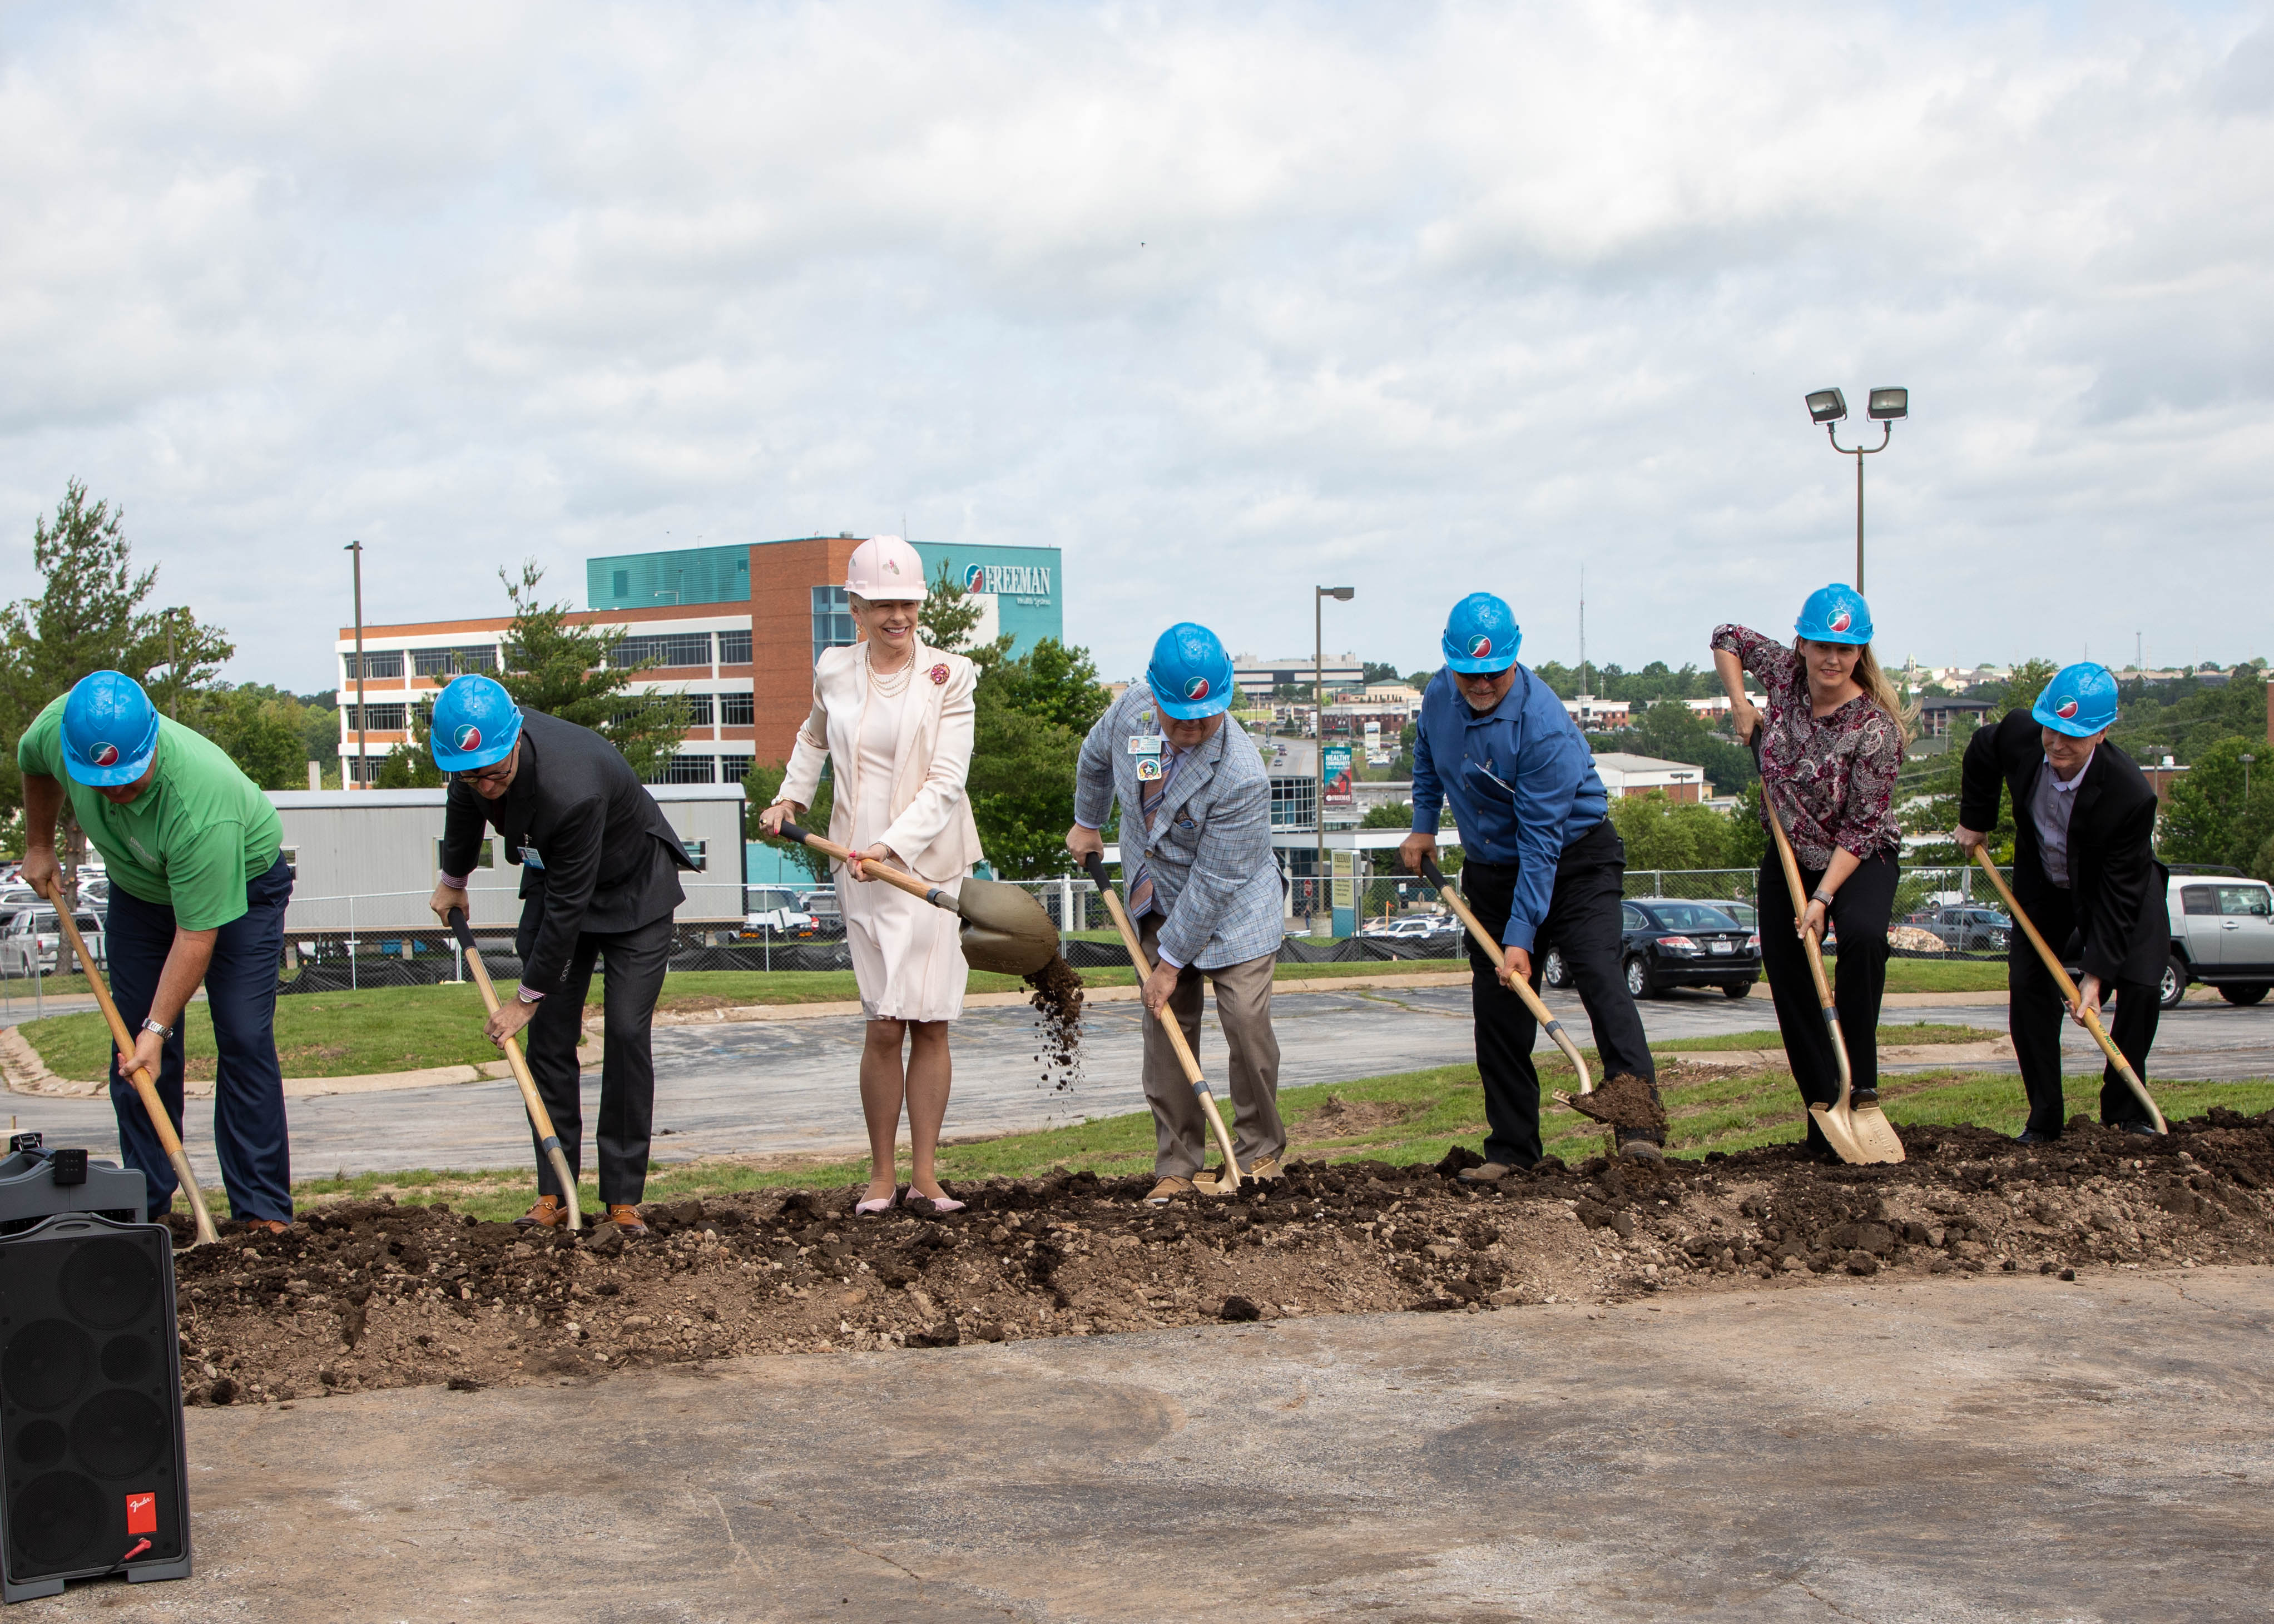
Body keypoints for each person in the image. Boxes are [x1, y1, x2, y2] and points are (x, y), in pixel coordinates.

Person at [16, 671, 295, 1232]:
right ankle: (145, 1205)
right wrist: (39, 844)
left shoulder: (201, 801)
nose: (115, 790)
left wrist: (160, 1028)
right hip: (141, 891)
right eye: (100, 779)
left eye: (127, 776)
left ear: (153, 743)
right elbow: (33, 764)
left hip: (242, 883)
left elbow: (196, 935)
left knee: (241, 1034)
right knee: (132, 1050)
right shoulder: (58, 730)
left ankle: (262, 1212)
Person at [759, 537, 983, 1215]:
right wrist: (791, 796)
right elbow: (813, 737)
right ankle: (882, 1175)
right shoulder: (834, 668)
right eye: (883, 603)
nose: (898, 616)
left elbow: (947, 781)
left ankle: (926, 1174)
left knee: (932, 1021)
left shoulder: (952, 674)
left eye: (908, 603)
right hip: (859, 865)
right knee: (885, 1022)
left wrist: (893, 844)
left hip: (931, 863)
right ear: (855, 606)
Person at [1401, 593, 1661, 1178]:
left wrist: (1521, 939)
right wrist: (1423, 824)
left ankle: (1639, 1127)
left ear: (1514, 660)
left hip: (1573, 861)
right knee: (1497, 1010)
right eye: (1469, 672)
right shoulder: (1438, 694)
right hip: (1493, 866)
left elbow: (1541, 845)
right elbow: (1426, 754)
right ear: (1451, 664)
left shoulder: (1542, 727)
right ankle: (1514, 1150)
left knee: (1598, 971)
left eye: (1494, 672)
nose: (1481, 682)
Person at [427, 673, 696, 1235]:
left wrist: (526, 997)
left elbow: (569, 908)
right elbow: (463, 806)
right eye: (473, 776)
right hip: (559, 883)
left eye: (497, 773)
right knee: (551, 1039)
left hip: (632, 892)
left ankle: (622, 1199)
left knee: (624, 1030)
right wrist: (454, 877)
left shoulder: (572, 787)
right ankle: (554, 1189)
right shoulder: (473, 766)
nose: (487, 786)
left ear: (517, 737)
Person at [1068, 623, 1286, 1203]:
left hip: (1234, 903)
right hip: (1157, 891)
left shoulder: (1242, 774)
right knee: (1166, 1026)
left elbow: (1215, 883)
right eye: (1179, 717)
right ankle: (1177, 1164)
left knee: (1244, 1020)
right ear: (1156, 695)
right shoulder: (1130, 713)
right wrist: (1087, 821)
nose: (1191, 729)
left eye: (1204, 717)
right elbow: (1093, 761)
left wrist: (1168, 961)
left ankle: (1259, 1152)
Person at [1712, 586, 1909, 1156]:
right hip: (1790, 848)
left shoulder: (1875, 730)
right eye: (1822, 645)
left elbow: (1860, 828)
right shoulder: (1785, 676)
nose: (1832, 659)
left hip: (1861, 855)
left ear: (1861, 653)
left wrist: (1822, 898)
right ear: (1802, 643)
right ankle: (1823, 1103)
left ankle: (1861, 1084)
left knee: (1866, 938)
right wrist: (1740, 702)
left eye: (1846, 649)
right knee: (1789, 969)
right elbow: (1726, 637)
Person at [1955, 661, 2164, 1140]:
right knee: (2029, 985)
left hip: (2117, 888)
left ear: (2103, 732)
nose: (2056, 744)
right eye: (2052, 729)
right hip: (2044, 883)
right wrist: (1975, 818)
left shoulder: (2130, 796)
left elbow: (2119, 897)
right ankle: (2045, 1117)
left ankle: (2124, 1112)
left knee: (2141, 985)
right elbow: (1980, 752)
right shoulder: (2019, 734)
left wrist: (2095, 974)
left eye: (2073, 735)